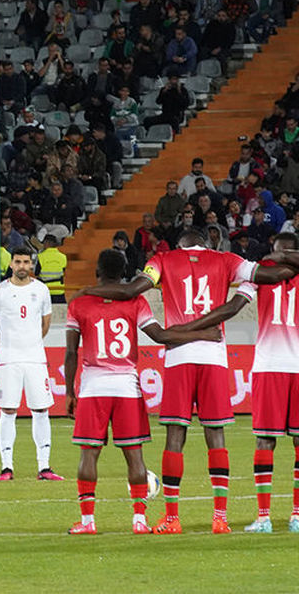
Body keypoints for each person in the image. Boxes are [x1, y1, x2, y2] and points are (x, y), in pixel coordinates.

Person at [78, 227, 299, 533]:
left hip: (180, 357)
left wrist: (88, 291)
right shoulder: (226, 259)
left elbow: (132, 290)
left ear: (180, 244)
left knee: (175, 436)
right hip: (214, 357)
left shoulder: (163, 259)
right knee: (215, 435)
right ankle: (219, 518)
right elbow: (269, 278)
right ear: (207, 243)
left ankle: (172, 518)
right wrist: (278, 255)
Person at [64, 249, 191, 534]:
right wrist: (198, 332)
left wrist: (70, 392)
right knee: (134, 455)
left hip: (93, 386)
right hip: (127, 387)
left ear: (97, 269)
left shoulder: (79, 302)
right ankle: (140, 521)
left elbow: (71, 352)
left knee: (89, 454)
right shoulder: (136, 300)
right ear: (124, 273)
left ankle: (87, 522)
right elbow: (160, 335)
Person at [0, 247, 62, 482]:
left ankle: (44, 466)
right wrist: (7, 348)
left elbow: (45, 323)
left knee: (41, 410)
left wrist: (31, 343)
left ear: (31, 265)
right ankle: (6, 467)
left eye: (26, 262)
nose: (21, 266)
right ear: (11, 264)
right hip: (9, 359)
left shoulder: (41, 290)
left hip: (35, 358)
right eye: (17, 262)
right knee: (8, 410)